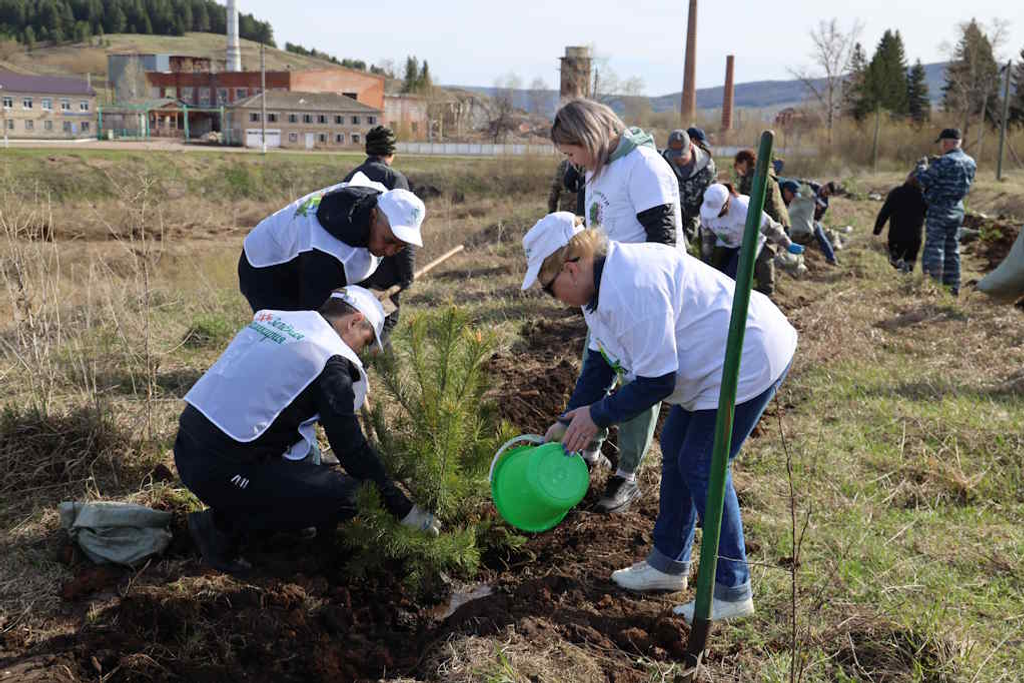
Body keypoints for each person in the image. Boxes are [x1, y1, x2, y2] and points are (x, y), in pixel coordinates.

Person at [521, 212, 797, 623]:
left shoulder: (632, 287)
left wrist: (597, 416)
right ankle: (668, 564)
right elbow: (599, 363)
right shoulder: (598, 290)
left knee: (701, 462)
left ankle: (732, 589)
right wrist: (568, 419)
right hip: (709, 366)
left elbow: (657, 381)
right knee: (676, 448)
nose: (553, 298)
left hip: (747, 355)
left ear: (571, 266)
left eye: (549, 288)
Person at [176, 286, 440, 574]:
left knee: (309, 463)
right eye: (364, 342)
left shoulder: (283, 321)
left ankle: (268, 520)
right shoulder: (329, 359)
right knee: (354, 495)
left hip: (189, 445)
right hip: (219, 470)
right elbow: (351, 449)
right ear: (353, 321)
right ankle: (218, 530)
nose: (360, 354)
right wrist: (402, 508)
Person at [549, 98, 683, 512]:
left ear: (591, 136)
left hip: (641, 297)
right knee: (596, 365)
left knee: (638, 382)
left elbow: (663, 239)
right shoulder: (596, 170)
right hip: (603, 289)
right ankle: (584, 444)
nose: (572, 164)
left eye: (573, 152)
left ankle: (626, 474)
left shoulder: (643, 166)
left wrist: (637, 291)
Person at [237, 177, 425, 314]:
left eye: (401, 246)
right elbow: (313, 313)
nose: (391, 251)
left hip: (303, 256)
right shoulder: (331, 253)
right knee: (288, 335)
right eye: (388, 240)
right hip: (265, 265)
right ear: (373, 216)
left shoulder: (379, 193)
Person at [343, 126, 416, 339]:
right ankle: (373, 365)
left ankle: (368, 362)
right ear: (391, 153)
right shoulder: (395, 179)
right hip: (384, 270)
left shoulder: (351, 176)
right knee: (386, 320)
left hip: (352, 268)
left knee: (355, 318)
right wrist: (407, 275)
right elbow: (403, 231)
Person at [700, 183, 804, 296]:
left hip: (749, 242)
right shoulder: (706, 211)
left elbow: (770, 227)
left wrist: (787, 244)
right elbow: (707, 237)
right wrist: (706, 258)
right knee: (716, 275)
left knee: (732, 277)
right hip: (727, 242)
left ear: (727, 203)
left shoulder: (744, 207)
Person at [913, 128, 977, 295]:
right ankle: (953, 288)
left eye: (942, 143)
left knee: (935, 248)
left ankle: (931, 287)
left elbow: (922, 180)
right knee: (952, 249)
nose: (941, 147)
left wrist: (922, 167)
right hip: (957, 209)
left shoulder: (944, 162)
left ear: (947, 142)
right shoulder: (970, 161)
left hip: (940, 209)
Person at [662, 129, 717, 246]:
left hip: (695, 217)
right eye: (674, 156)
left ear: (691, 147)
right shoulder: (664, 162)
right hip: (671, 216)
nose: (678, 160)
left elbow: (710, 196)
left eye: (682, 156)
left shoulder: (707, 167)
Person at [873, 179, 928, 273]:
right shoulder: (923, 195)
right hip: (915, 236)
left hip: (896, 235)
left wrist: (877, 229)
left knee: (894, 260)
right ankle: (906, 277)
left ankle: (899, 272)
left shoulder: (896, 192)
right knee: (910, 262)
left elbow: (885, 212)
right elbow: (929, 214)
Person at [780, 180, 838, 266]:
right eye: (825, 189)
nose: (824, 192)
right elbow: (797, 184)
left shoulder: (824, 203)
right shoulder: (812, 186)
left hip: (809, 221)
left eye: (827, 193)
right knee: (785, 229)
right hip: (796, 214)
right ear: (825, 185)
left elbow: (818, 218)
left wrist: (815, 221)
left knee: (821, 236)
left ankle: (832, 259)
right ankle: (783, 253)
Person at [734, 149, 790, 230]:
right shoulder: (766, 171)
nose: (738, 168)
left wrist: (741, 177)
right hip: (780, 217)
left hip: (769, 222)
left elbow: (746, 201)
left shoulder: (753, 176)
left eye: (738, 164)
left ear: (744, 162)